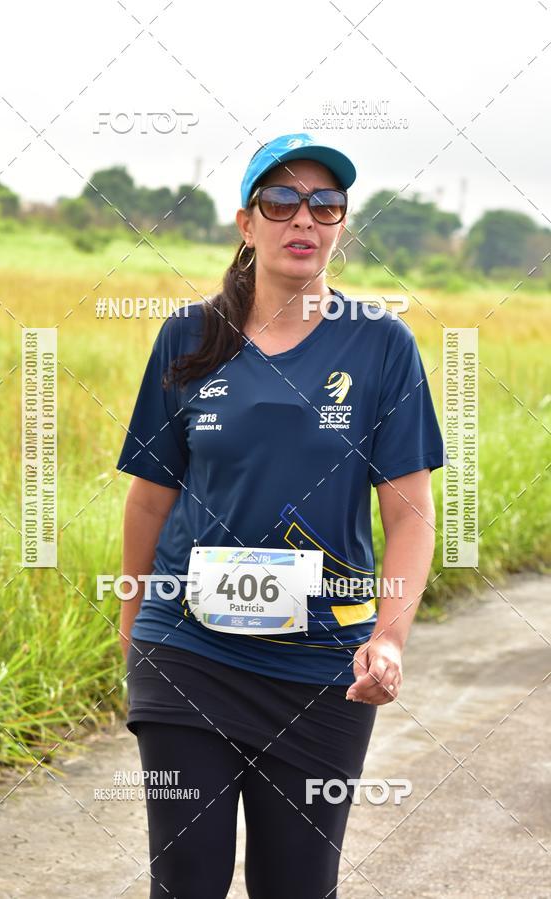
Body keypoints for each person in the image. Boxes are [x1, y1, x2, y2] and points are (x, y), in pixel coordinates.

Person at [116, 132, 446, 898]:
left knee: (296, 884)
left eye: (325, 204)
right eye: (282, 201)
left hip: (320, 664)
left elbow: (410, 514)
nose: (305, 218)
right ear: (247, 222)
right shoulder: (190, 337)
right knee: (185, 880)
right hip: (186, 651)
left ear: (341, 224)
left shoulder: (382, 345)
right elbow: (149, 495)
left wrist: (388, 637)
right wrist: (134, 620)